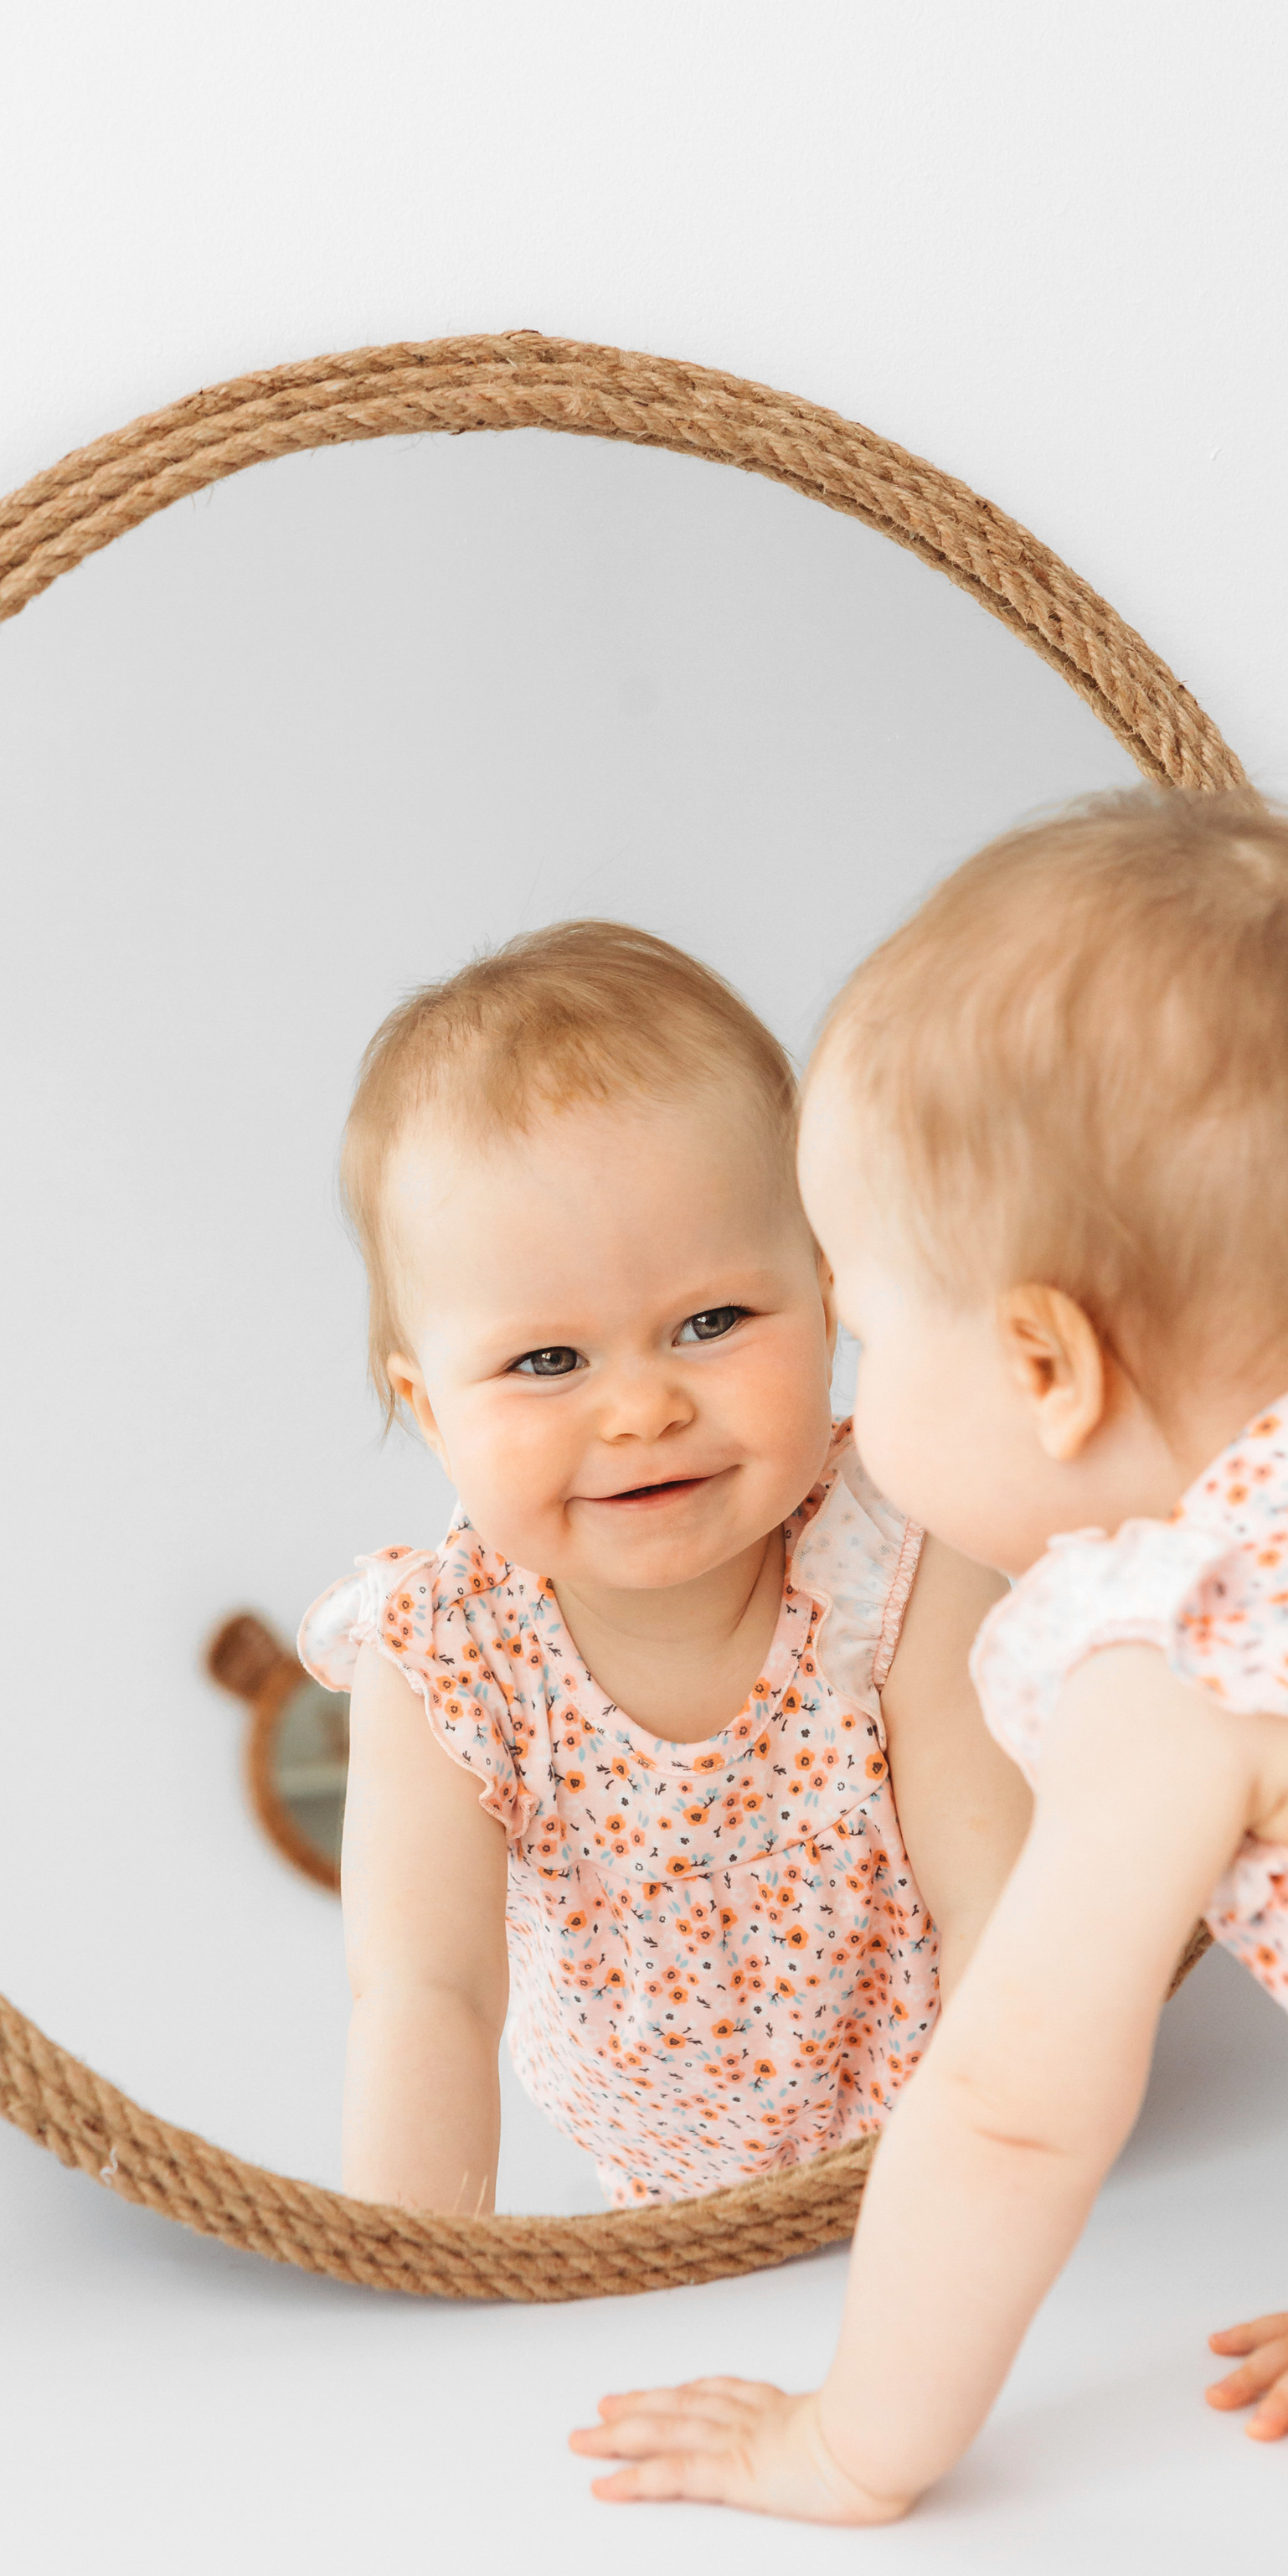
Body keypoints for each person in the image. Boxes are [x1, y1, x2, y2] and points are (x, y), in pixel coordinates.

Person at [574, 790, 1288, 2517]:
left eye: (867, 1331)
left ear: (1046, 1369)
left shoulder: (1186, 1663)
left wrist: (847, 2440)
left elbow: (1009, 2113)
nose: (852, 1389)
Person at [299, 920, 1032, 2212]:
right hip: (662, 2206)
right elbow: (428, 1995)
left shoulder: (899, 1557)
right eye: (547, 1362)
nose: (642, 1410)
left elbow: (1001, 1909)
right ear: (431, 1410)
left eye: (711, 1322)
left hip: (961, 2140)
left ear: (829, 1300)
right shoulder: (448, 1659)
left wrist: (977, 2193)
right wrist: (417, 2270)